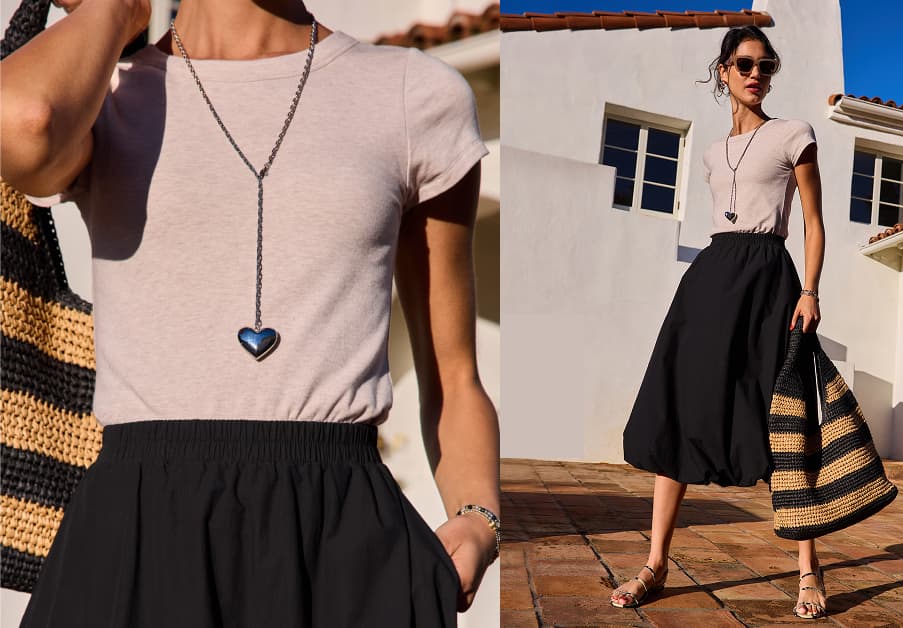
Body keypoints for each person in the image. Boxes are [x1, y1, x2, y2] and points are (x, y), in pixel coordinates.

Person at [1, 0, 499, 625]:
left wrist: (479, 520)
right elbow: (26, 121)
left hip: (340, 541)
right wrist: (120, 8)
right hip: (140, 531)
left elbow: (454, 376)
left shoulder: (412, 94)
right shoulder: (107, 96)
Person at [609, 25, 827, 620]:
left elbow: (813, 221)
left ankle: (808, 568)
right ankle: (655, 562)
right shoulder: (710, 153)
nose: (757, 74)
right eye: (745, 64)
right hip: (710, 279)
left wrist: (809, 292)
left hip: (769, 280)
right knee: (679, 406)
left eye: (766, 65)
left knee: (783, 418)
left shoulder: (794, 134)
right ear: (724, 70)